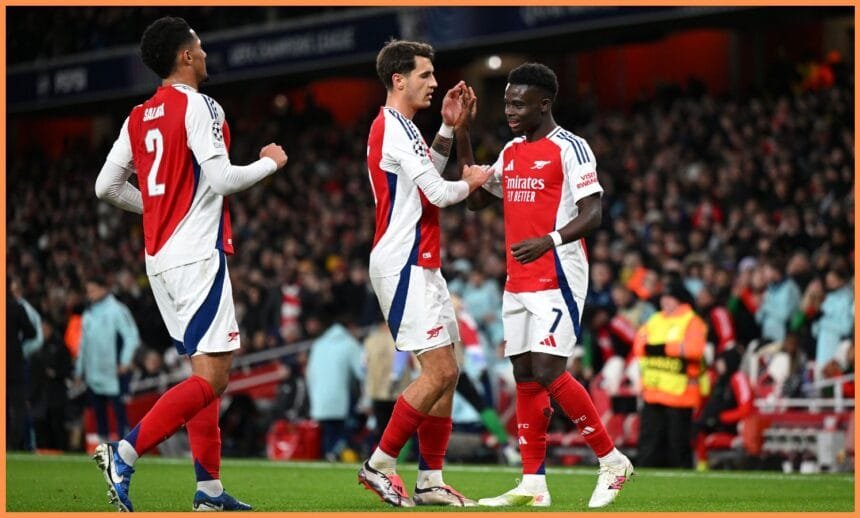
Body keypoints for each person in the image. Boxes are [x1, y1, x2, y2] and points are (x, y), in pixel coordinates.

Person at [92, 16, 288, 512]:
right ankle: (125, 451)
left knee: (203, 372)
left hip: (160, 259)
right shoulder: (200, 105)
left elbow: (105, 187)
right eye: (199, 47)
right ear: (185, 56)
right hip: (197, 255)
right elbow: (221, 179)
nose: (204, 54)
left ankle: (209, 492)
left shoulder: (138, 116)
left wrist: (159, 208)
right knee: (215, 378)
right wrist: (270, 162)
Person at [463, 63, 633, 509]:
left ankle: (612, 461)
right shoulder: (512, 149)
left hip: (557, 274)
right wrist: (461, 133)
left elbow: (593, 212)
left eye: (519, 104)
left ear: (545, 103)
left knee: (548, 370)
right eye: (506, 103)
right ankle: (533, 483)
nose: (510, 111)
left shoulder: (570, 148)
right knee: (524, 374)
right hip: (517, 279)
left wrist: (550, 239)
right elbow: (476, 199)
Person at [358, 38, 491, 508]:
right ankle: (379, 464)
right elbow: (437, 193)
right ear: (399, 80)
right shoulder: (392, 127)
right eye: (425, 75)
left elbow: (424, 176)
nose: (435, 83)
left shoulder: (404, 128)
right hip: (403, 262)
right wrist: (471, 180)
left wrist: (449, 129)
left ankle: (430, 480)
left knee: (449, 373)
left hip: (422, 261)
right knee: (438, 370)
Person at [632, 273, 708, 468]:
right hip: (654, 392)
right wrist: (669, 348)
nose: (664, 301)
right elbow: (639, 345)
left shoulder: (692, 320)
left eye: (669, 297)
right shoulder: (656, 318)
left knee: (678, 444)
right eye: (663, 297)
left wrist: (663, 348)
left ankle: (682, 485)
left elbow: (694, 349)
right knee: (649, 444)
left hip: (679, 393)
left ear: (679, 299)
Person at [75, 276, 141, 441]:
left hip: (114, 372)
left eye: (93, 290)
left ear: (104, 289)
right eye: (88, 291)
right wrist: (79, 369)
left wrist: (125, 362)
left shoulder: (117, 310)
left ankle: (126, 449)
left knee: (120, 413)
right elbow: (83, 344)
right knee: (99, 415)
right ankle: (104, 451)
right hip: (94, 373)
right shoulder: (88, 314)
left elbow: (131, 336)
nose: (90, 294)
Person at [306, 316, 364, 461]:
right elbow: (362, 371)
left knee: (328, 431)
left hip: (319, 398)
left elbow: (309, 374)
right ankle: (336, 452)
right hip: (340, 399)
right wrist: (366, 398)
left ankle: (329, 453)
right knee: (343, 429)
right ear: (350, 327)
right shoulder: (350, 344)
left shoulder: (318, 344)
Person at [693, 348, 753, 471]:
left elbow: (746, 409)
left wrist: (722, 418)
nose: (718, 365)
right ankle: (702, 465)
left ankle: (704, 465)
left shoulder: (738, 378)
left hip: (731, 427)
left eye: (721, 361)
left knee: (706, 439)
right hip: (716, 424)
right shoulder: (719, 381)